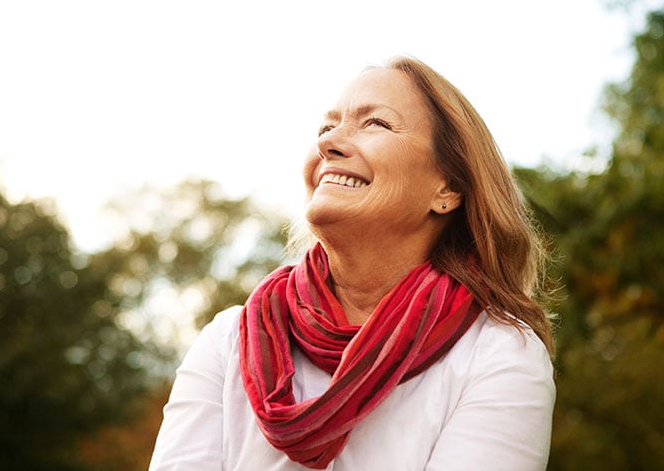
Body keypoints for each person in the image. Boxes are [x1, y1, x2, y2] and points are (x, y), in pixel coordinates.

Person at [149, 56, 556, 470]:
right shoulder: (226, 342)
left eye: (375, 123)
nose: (329, 143)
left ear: (447, 187)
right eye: (326, 128)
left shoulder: (500, 354)